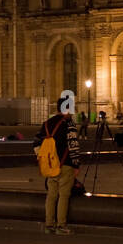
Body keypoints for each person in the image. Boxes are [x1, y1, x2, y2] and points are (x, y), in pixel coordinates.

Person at [35, 99, 81, 235]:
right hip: (65, 164)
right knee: (64, 195)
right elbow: (73, 146)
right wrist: (76, 164)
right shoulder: (68, 124)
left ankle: (49, 225)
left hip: (50, 165)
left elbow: (36, 142)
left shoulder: (47, 123)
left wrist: (43, 158)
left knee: (51, 195)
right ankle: (61, 225)